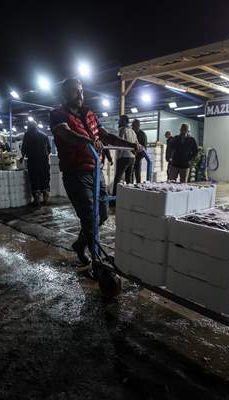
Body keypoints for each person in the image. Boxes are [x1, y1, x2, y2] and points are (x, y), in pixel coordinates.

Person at [50, 78, 143, 265]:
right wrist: (88, 141)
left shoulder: (90, 114)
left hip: (96, 172)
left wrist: (132, 145)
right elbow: (65, 133)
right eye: (75, 91)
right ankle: (97, 260)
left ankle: (80, 244)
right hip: (76, 174)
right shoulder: (57, 114)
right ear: (64, 94)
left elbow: (106, 136)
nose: (80, 95)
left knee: (103, 215)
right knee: (90, 218)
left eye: (81, 91)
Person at [21, 120, 52, 207]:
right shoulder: (44, 135)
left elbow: (24, 148)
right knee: (45, 178)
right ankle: (46, 198)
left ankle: (37, 200)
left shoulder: (27, 135)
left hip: (33, 161)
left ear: (29, 126)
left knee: (35, 179)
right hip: (44, 162)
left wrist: (23, 156)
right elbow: (49, 149)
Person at [112, 115, 138, 195]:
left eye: (120, 120)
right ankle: (128, 197)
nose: (118, 122)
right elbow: (137, 144)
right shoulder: (133, 131)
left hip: (123, 157)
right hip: (132, 157)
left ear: (124, 121)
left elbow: (119, 143)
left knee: (118, 178)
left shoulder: (122, 130)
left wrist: (118, 157)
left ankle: (114, 199)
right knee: (128, 179)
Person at [132, 119, 147, 183]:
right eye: (133, 125)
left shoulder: (142, 134)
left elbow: (144, 147)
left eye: (135, 125)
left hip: (138, 157)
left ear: (138, 125)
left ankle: (138, 187)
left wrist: (137, 153)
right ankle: (129, 187)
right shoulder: (131, 132)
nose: (133, 127)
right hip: (131, 156)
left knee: (137, 174)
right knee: (130, 174)